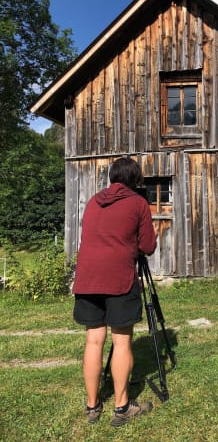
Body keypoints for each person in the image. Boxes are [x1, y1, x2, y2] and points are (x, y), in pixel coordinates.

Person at [72, 157, 157, 427]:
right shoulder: (138, 203)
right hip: (118, 276)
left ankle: (92, 405)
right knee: (121, 341)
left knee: (93, 341)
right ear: (135, 179)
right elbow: (148, 245)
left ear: (111, 177)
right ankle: (122, 407)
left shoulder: (94, 202)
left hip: (87, 277)